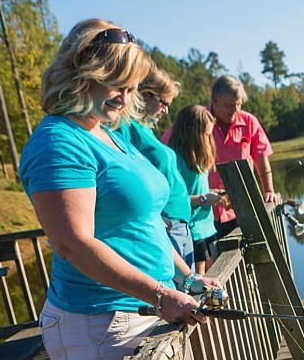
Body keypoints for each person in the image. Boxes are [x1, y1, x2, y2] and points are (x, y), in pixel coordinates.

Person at [20, 18, 219, 360]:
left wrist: (187, 277)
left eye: (132, 89)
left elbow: (145, 224)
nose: (126, 100)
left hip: (143, 308)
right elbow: (73, 243)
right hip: (102, 323)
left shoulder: (105, 132)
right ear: (82, 75)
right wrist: (161, 296)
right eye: (118, 86)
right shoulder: (58, 141)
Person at [165, 75, 280, 240]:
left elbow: (261, 158)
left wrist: (268, 190)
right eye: (229, 105)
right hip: (204, 216)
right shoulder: (197, 120)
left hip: (243, 209)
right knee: (215, 262)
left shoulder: (249, 122)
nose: (234, 110)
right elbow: (165, 150)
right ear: (215, 100)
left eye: (238, 105)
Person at [114, 66, 195, 268]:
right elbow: (126, 175)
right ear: (146, 95)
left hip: (179, 222)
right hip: (167, 224)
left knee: (191, 291)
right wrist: (156, 218)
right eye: (164, 102)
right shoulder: (125, 126)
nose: (166, 109)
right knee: (180, 293)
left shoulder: (146, 129)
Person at [167, 105, 222, 273]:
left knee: (216, 275)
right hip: (192, 231)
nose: (208, 139)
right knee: (200, 281)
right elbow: (173, 199)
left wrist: (212, 193)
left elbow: (196, 188)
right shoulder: (175, 159)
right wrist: (204, 199)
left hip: (208, 227)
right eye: (206, 135)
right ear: (192, 132)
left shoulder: (197, 157)